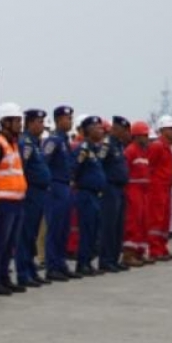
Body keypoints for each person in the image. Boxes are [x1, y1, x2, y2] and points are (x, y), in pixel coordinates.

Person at [0, 103, 27, 294]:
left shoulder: (13, 144)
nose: (20, 124)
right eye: (16, 120)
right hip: (2, 201)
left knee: (10, 244)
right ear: (5, 122)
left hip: (15, 200)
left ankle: (4, 277)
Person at [15, 108, 50, 287]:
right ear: (29, 123)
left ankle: (30, 269)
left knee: (33, 234)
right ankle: (23, 273)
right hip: (30, 193)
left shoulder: (35, 143)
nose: (42, 125)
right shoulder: (26, 143)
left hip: (39, 193)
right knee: (26, 234)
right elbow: (22, 168)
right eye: (39, 122)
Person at [43, 105, 77, 281]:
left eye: (71, 118)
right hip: (56, 186)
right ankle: (52, 266)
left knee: (64, 228)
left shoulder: (64, 141)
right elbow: (44, 161)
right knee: (55, 228)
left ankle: (61, 262)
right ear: (58, 120)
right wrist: (49, 185)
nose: (70, 121)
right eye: (67, 118)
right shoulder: (53, 141)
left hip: (65, 186)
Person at [72, 116, 107, 276]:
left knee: (94, 229)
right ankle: (83, 263)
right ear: (88, 130)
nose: (101, 130)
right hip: (86, 194)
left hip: (95, 194)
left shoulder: (95, 149)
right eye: (97, 127)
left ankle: (88, 261)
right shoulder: (83, 149)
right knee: (86, 229)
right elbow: (74, 168)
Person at [100, 116, 131, 272]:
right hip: (110, 188)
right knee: (109, 226)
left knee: (118, 226)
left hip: (120, 188)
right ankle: (106, 260)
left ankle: (114, 258)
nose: (126, 133)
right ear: (116, 129)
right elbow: (99, 164)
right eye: (123, 130)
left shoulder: (119, 145)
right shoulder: (107, 145)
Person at [147, 115, 172, 259]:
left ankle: (162, 246)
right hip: (157, 188)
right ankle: (155, 249)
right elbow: (150, 167)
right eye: (170, 129)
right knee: (157, 219)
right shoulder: (157, 146)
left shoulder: (167, 147)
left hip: (166, 187)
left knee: (165, 218)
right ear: (163, 130)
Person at [122, 120, 151, 266]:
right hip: (133, 190)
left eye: (147, 135)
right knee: (133, 222)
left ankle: (140, 251)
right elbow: (124, 171)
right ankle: (128, 254)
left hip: (144, 191)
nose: (146, 138)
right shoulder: (131, 151)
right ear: (136, 136)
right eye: (143, 135)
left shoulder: (144, 151)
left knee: (143, 222)